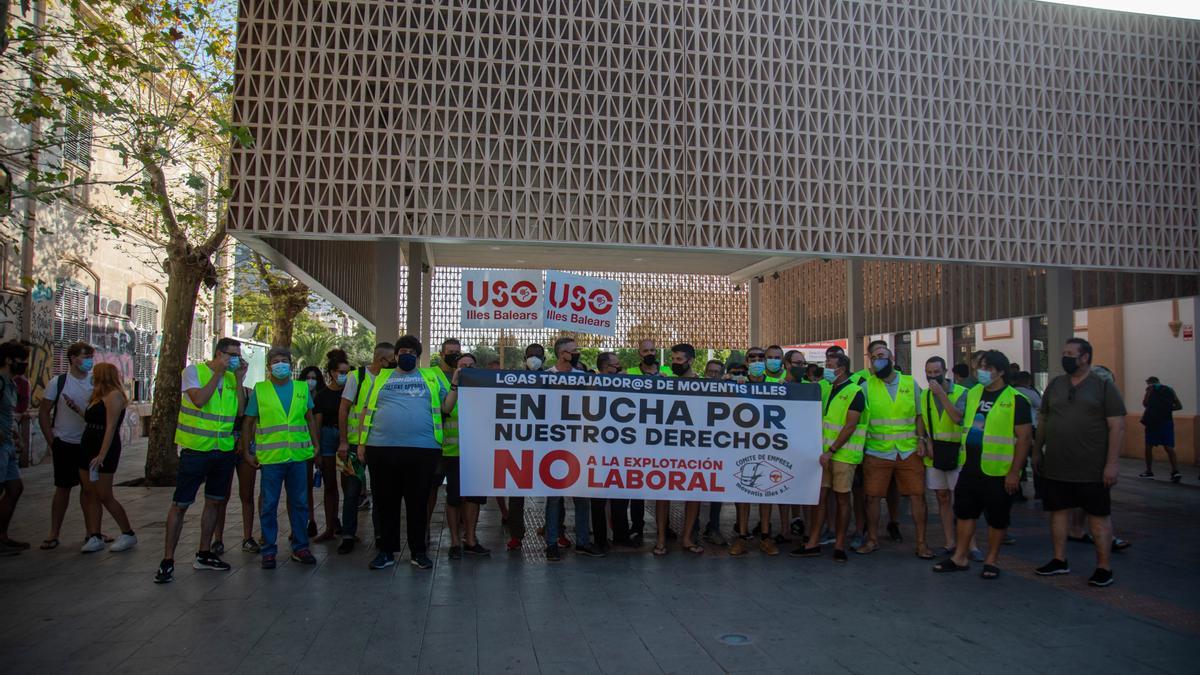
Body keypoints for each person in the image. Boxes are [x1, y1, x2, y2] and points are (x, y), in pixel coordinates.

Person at [356, 335, 455, 570]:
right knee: (385, 502)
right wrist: (361, 444)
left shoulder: (430, 377)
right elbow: (366, 411)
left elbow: (446, 407)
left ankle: (418, 552)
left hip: (422, 450)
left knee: (418, 502)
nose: (407, 355)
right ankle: (386, 551)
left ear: (418, 356)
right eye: (403, 352)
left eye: (412, 352)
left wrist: (456, 385)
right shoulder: (381, 377)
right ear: (396, 355)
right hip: (381, 449)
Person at [1034, 338, 1125, 587]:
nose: (1065, 357)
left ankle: (1103, 566)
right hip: (1057, 464)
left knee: (1098, 517)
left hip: (1092, 468)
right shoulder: (1055, 385)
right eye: (1064, 352)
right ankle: (1059, 560)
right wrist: (1036, 450)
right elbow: (1044, 418)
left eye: (1070, 353)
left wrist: (1112, 464)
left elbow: (1116, 426)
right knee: (1058, 514)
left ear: (1085, 357)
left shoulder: (1103, 386)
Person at [932, 350, 1032, 579]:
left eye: (987, 368)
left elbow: (1024, 439)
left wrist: (1014, 472)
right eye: (979, 367)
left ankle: (992, 560)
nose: (981, 372)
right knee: (965, 513)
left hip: (999, 470)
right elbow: (959, 418)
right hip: (970, 466)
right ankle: (960, 556)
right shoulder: (974, 392)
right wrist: (942, 397)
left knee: (997, 518)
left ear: (1000, 372)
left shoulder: (1016, 400)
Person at [155, 338, 242, 583]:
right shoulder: (194, 372)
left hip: (223, 450)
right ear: (219, 354)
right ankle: (168, 559)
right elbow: (200, 399)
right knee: (181, 504)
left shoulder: (231, 379)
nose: (235, 359)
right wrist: (219, 374)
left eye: (237, 355)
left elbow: (239, 411)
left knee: (215, 502)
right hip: (195, 450)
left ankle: (204, 553)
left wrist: (238, 379)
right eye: (232, 355)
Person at [243, 347, 318, 569]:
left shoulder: (302, 388)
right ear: (269, 367)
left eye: (284, 361)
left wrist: (316, 443)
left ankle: (300, 547)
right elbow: (249, 421)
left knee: (300, 503)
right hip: (271, 458)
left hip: (297, 457)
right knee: (269, 505)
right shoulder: (261, 390)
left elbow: (310, 418)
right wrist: (247, 451)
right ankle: (268, 550)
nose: (280, 365)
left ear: (291, 365)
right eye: (276, 361)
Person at [857, 342, 933, 558]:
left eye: (881, 355)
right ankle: (872, 539)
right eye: (873, 358)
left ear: (891, 359)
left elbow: (919, 414)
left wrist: (921, 438)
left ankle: (921, 543)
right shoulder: (866, 386)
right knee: (872, 497)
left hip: (908, 450)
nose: (877, 360)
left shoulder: (910, 383)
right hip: (877, 450)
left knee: (918, 496)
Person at [792, 352, 864, 562]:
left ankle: (840, 544)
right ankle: (813, 542)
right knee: (820, 499)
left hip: (843, 455)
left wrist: (832, 451)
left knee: (842, 499)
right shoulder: (826, 387)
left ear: (841, 369)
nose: (827, 369)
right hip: (823, 455)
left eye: (830, 365)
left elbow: (850, 425)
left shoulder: (855, 392)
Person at [426, 349, 489, 559]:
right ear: (455, 368)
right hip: (451, 453)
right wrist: (455, 384)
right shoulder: (447, 387)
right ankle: (454, 541)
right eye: (462, 366)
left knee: (474, 498)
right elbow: (445, 409)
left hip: (477, 452)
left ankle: (470, 538)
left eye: (471, 366)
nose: (467, 369)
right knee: (454, 499)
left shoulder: (485, 389)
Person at [544, 337, 603, 561]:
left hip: (580, 442)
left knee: (582, 496)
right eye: (574, 350)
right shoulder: (547, 377)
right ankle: (551, 543)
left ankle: (582, 542)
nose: (578, 353)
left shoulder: (583, 378)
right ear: (562, 354)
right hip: (554, 443)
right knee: (554, 498)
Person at [38, 341, 98, 550]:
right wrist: (52, 440)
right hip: (64, 442)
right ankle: (53, 533)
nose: (90, 360)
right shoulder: (59, 382)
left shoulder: (95, 382)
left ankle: (92, 531)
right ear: (73, 358)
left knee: (89, 490)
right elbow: (44, 412)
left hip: (88, 443)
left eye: (91, 355)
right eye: (85, 355)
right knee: (63, 488)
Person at [337, 342, 394, 551]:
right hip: (354, 444)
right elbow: (343, 409)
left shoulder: (391, 377)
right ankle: (348, 536)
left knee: (381, 492)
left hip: (381, 444)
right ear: (381, 360)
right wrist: (343, 441)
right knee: (352, 491)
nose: (395, 362)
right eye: (392, 359)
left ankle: (380, 534)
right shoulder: (357, 377)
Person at [920, 356, 979, 558]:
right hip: (935, 453)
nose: (933, 376)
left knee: (962, 500)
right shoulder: (924, 396)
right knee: (942, 498)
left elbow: (957, 418)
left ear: (945, 372)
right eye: (929, 372)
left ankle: (971, 544)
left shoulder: (963, 393)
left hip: (958, 453)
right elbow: (922, 420)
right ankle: (949, 541)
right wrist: (924, 439)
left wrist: (942, 395)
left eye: (937, 372)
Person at [77, 363, 137, 554]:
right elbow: (91, 418)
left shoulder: (114, 396)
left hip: (104, 448)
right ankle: (94, 535)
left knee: (104, 494)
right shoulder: (96, 396)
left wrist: (102, 454)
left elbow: (110, 427)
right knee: (89, 491)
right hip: (88, 444)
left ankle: (127, 532)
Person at [729, 346, 779, 557]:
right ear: (746, 361)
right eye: (753, 357)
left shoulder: (778, 385)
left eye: (762, 357)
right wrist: (728, 381)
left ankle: (766, 537)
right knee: (742, 493)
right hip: (742, 445)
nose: (758, 360)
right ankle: (742, 536)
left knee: (766, 492)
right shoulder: (736, 383)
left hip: (768, 445)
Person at [654, 343, 703, 556]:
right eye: (673, 359)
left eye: (679, 360)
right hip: (667, 447)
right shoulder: (666, 384)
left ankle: (686, 538)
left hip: (693, 448)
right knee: (662, 493)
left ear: (690, 361)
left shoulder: (702, 385)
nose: (674, 363)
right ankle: (661, 539)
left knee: (693, 493)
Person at [212, 355, 257, 554]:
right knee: (221, 495)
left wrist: (239, 380)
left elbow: (245, 416)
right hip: (224, 446)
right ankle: (217, 538)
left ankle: (248, 537)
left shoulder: (247, 392)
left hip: (245, 446)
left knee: (246, 494)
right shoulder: (217, 390)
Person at [504, 343, 544, 551]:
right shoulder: (514, 381)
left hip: (546, 443)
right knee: (516, 492)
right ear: (524, 358)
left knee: (554, 492)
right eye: (531, 355)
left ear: (544, 359)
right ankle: (516, 535)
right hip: (520, 443)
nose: (534, 359)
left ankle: (556, 530)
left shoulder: (553, 380)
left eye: (538, 356)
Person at [425, 339, 462, 543]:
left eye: (457, 351)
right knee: (430, 489)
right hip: (436, 443)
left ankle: (460, 536)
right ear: (441, 353)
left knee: (456, 494)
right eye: (450, 352)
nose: (454, 355)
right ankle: (424, 529)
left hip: (458, 446)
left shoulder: (466, 375)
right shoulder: (430, 375)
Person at [312, 349, 350, 542]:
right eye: (340, 372)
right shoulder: (322, 395)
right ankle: (330, 526)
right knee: (330, 485)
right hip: (327, 437)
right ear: (332, 372)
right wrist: (316, 448)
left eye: (346, 372)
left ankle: (347, 527)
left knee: (348, 483)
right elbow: (316, 424)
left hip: (346, 438)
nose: (343, 376)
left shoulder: (351, 393)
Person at [591, 351, 625, 551]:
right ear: (605, 366)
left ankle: (621, 535)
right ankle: (601, 539)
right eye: (616, 364)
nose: (619, 367)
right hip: (598, 448)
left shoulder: (624, 383)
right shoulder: (593, 384)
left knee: (620, 494)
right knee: (598, 499)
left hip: (620, 448)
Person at [0, 342, 29, 555]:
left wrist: (14, 433)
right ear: (9, 360)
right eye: (21, 360)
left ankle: (2, 536)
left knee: (14, 487)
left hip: (7, 444)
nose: (24, 364)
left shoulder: (11, 384)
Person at [697, 359, 728, 546]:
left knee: (716, 491)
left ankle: (713, 527)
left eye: (717, 372)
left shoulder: (727, 391)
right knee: (695, 490)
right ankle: (692, 528)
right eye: (710, 372)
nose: (713, 375)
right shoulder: (695, 388)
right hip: (697, 448)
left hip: (718, 448)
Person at [298, 364, 325, 538]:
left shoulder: (321, 398)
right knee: (302, 487)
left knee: (309, 486)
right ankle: (307, 521)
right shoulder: (298, 396)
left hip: (317, 447)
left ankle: (312, 520)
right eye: (307, 378)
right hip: (301, 446)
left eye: (314, 378)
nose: (310, 381)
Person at [1140, 376, 1182, 482]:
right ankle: (1175, 471)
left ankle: (1149, 471)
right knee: (1169, 447)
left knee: (1149, 446)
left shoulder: (1150, 389)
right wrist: (1166, 409)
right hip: (1167, 421)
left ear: (1149, 382)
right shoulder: (1169, 389)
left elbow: (1145, 403)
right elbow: (1179, 406)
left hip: (1152, 422)